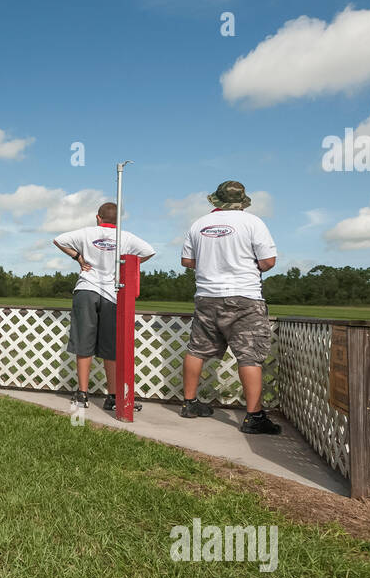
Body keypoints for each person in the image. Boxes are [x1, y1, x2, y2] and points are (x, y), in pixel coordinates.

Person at [179, 180, 280, 435]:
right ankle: (254, 417)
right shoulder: (253, 222)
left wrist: (212, 264)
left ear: (216, 200)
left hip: (206, 296)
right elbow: (268, 261)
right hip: (245, 296)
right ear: (242, 201)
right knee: (249, 355)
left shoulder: (198, 224)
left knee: (197, 350)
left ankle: (189, 404)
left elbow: (187, 261)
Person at [52, 201, 155, 411]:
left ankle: (82, 393)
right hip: (112, 294)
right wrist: (124, 266)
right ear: (118, 220)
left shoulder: (86, 233)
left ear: (98, 217)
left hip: (86, 289)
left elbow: (58, 240)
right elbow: (149, 251)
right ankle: (113, 395)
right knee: (111, 348)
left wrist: (79, 257)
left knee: (84, 343)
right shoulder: (125, 237)